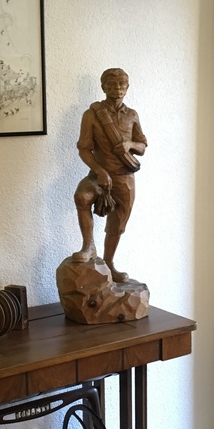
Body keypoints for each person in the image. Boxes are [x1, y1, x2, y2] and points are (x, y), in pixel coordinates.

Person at [72, 68, 147, 283]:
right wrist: (99, 171)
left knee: (118, 224)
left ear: (127, 87)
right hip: (99, 174)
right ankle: (88, 246)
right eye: (112, 84)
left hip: (125, 177)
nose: (117, 88)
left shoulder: (132, 115)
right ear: (103, 87)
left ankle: (109, 264)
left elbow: (142, 146)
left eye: (122, 84)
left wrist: (129, 144)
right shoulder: (92, 114)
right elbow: (84, 149)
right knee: (82, 197)